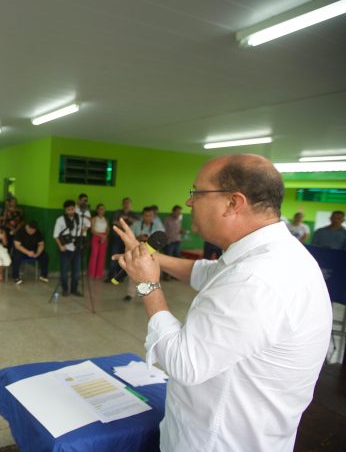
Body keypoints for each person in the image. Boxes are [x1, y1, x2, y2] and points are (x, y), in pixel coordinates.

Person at [114, 154, 331, 451]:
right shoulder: (269, 254)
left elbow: (184, 362)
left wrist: (148, 285)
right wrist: (148, 256)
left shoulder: (257, 279)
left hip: (218, 442)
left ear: (233, 202)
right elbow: (206, 272)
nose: (189, 202)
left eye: (197, 192)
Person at [105, 197, 140, 283]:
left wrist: (123, 223)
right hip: (117, 238)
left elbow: (136, 223)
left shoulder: (133, 214)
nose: (126, 204)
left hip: (128, 239)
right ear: (122, 204)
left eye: (128, 203)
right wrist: (127, 226)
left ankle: (120, 277)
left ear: (131, 204)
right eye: (125, 202)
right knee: (114, 257)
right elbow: (114, 222)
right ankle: (110, 276)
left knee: (125, 258)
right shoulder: (117, 212)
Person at [54, 200, 83, 296]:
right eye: (68, 210)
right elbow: (56, 235)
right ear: (65, 210)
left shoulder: (79, 218)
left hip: (76, 248)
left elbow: (81, 231)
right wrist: (60, 246)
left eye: (72, 209)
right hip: (65, 249)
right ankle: (65, 289)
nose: (71, 211)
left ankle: (74, 289)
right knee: (64, 271)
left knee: (77, 271)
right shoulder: (60, 220)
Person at [12, 220, 49, 284]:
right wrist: (27, 252)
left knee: (45, 256)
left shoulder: (38, 233)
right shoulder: (20, 232)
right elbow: (17, 246)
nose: (31, 231)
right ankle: (16, 277)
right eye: (30, 229)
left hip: (33, 251)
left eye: (33, 230)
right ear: (27, 227)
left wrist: (37, 253)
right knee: (16, 257)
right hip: (22, 250)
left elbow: (41, 245)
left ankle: (43, 275)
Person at [88, 204, 108, 278]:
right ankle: (92, 273)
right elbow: (92, 230)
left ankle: (99, 274)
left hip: (104, 238)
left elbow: (107, 230)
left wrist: (105, 236)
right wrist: (101, 236)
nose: (101, 210)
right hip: (96, 236)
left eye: (103, 209)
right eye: (100, 209)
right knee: (94, 255)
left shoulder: (106, 219)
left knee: (102, 256)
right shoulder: (94, 219)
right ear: (97, 210)